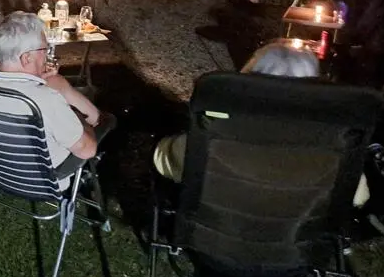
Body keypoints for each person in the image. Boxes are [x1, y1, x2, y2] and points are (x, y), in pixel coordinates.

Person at [152, 43, 370, 207]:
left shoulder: (214, 139)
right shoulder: (331, 150)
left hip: (215, 246)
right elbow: (359, 196)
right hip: (292, 254)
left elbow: (163, 160)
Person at [0, 11, 116, 188]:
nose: (48, 55)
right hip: (40, 181)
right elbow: (87, 150)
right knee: (106, 121)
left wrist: (47, 82)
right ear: (27, 57)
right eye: (45, 49)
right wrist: (70, 103)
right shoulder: (44, 100)